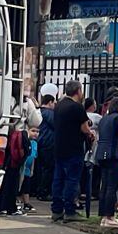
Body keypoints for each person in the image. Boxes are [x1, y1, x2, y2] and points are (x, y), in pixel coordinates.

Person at [50, 81, 94, 223]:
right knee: (72, 180)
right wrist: (91, 133)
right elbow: (84, 128)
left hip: (59, 147)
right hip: (73, 148)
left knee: (58, 179)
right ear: (78, 91)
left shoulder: (59, 105)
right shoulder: (77, 107)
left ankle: (56, 210)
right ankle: (70, 210)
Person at [94, 90, 118, 229]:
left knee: (105, 185)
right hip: (114, 154)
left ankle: (103, 215)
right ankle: (110, 216)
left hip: (102, 153)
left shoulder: (104, 119)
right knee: (112, 187)